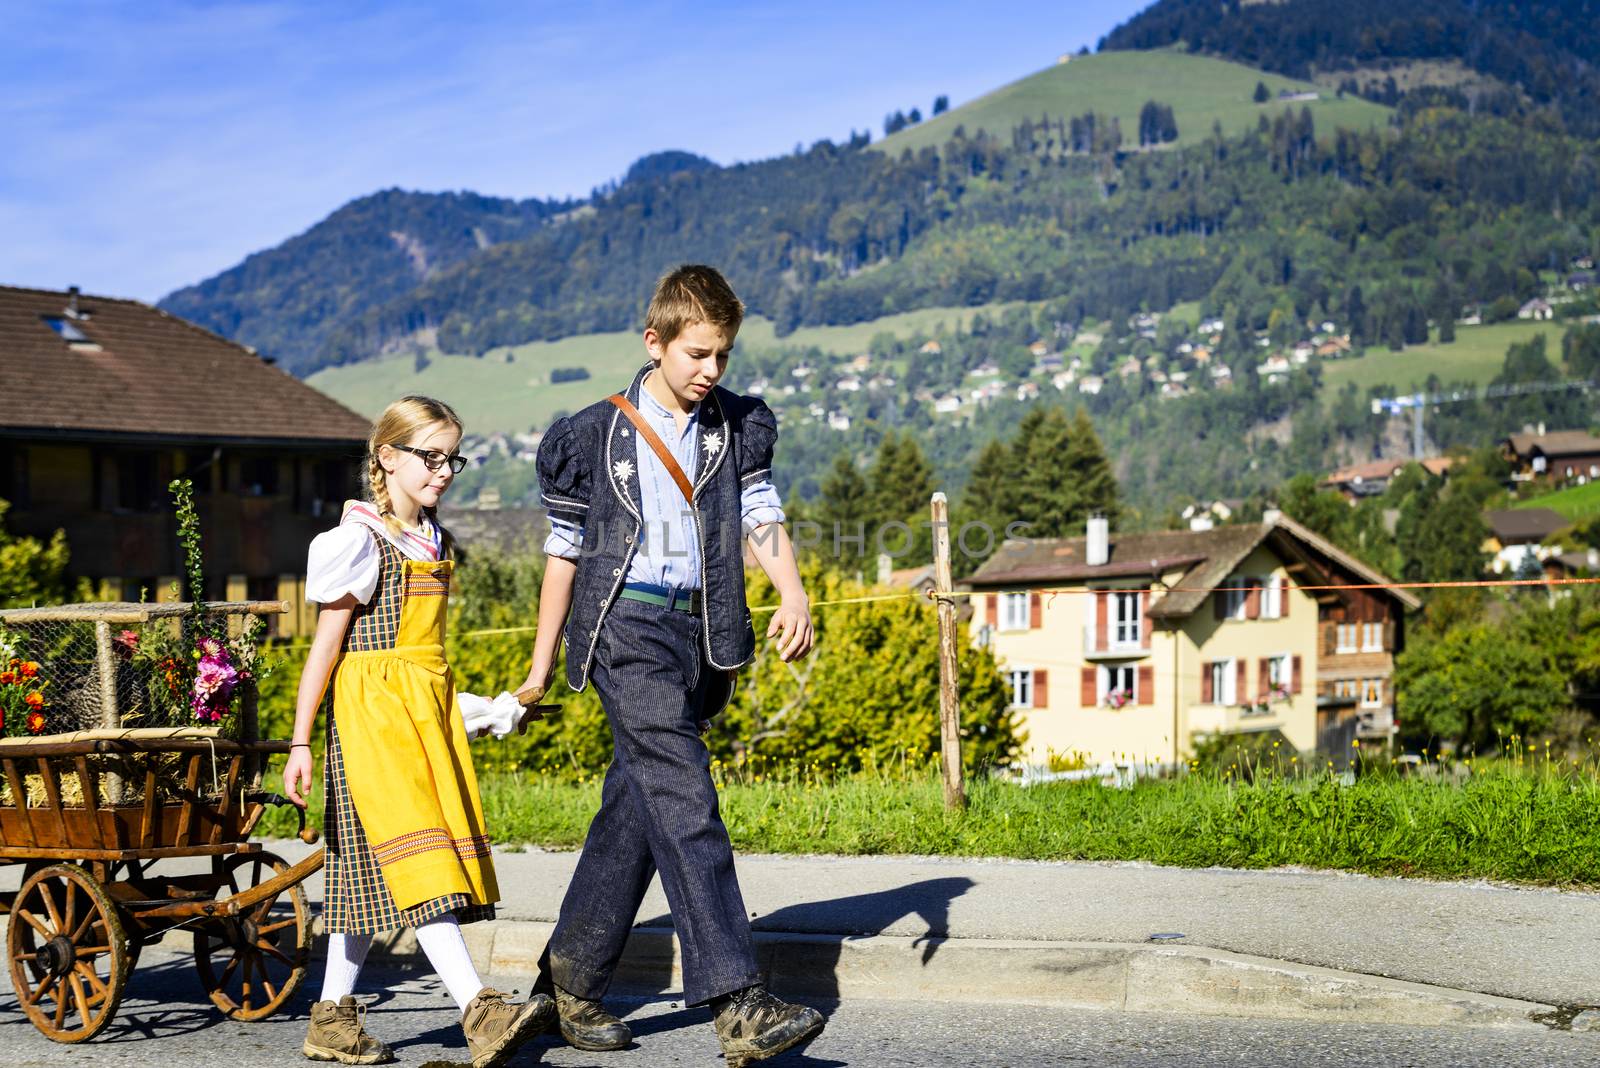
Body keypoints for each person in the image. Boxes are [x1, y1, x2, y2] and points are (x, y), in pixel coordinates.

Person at [523, 265, 825, 1066]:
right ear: (654, 342)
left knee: (640, 804)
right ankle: (738, 1001)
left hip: (699, 631)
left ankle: (570, 982)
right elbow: (564, 554)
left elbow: (760, 513)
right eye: (697, 354)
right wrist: (539, 661)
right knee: (687, 799)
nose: (712, 371)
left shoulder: (737, 427)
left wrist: (792, 593)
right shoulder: (590, 435)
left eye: (723, 355)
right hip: (624, 627)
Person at [284, 395, 554, 1067]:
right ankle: (478, 1010)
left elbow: (421, 663)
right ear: (387, 457)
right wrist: (300, 742)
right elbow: (328, 649)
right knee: (425, 864)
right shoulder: (360, 540)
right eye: (430, 457)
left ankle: (332, 1020)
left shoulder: (430, 539)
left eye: (451, 458)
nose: (443, 471)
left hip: (416, 713)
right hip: (371, 722)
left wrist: (487, 710)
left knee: (366, 879)